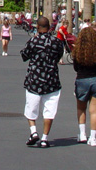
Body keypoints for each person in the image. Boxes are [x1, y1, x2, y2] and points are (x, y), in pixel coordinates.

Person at [21, 16, 64, 148]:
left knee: (31, 109)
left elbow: (24, 56)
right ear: (49, 26)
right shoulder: (56, 42)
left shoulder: (33, 41)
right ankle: (45, 138)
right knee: (49, 111)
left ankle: (33, 132)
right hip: (51, 80)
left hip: (34, 80)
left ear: (38, 27)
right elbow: (59, 56)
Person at [71, 26, 96, 147]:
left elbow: (76, 68)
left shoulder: (77, 52)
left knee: (81, 108)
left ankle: (82, 134)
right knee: (95, 111)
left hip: (82, 79)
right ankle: (93, 138)